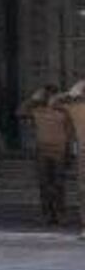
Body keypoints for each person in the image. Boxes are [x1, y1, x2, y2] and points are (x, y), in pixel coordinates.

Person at [21, 84, 72, 227]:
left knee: (59, 184)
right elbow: (20, 112)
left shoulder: (64, 112)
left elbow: (69, 134)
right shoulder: (38, 111)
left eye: (53, 95)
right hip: (42, 152)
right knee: (44, 184)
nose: (51, 98)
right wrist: (33, 99)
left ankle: (60, 214)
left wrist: (69, 153)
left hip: (60, 152)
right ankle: (47, 214)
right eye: (49, 95)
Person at [60, 81, 85, 240]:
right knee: (83, 190)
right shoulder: (75, 108)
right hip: (83, 154)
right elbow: (55, 103)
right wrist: (75, 89)